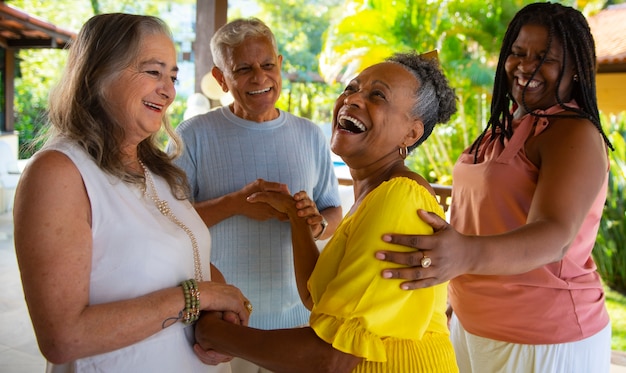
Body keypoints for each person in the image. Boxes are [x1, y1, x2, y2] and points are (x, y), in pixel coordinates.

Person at [376, 3, 614, 372]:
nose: (525, 66)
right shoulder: (505, 126)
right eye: (518, 53)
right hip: (472, 323)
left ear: (578, 69)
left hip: (544, 336)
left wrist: (463, 255)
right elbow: (482, 217)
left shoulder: (573, 132)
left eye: (545, 57)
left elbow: (556, 236)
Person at [192, 51, 459, 373]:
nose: (353, 99)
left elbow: (331, 356)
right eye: (351, 88)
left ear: (411, 134)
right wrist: (295, 216)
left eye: (377, 95)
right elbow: (316, 299)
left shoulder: (400, 197)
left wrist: (214, 332)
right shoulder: (373, 195)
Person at [13, 13, 251, 372]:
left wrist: (221, 309)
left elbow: (186, 255)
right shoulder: (59, 173)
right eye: (153, 72)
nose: (169, 90)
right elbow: (62, 338)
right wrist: (198, 296)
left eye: (172, 76)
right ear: (98, 74)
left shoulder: (157, 170)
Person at [169, 17, 343, 373]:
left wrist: (314, 223)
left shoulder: (310, 135)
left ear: (280, 65)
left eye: (267, 65)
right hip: (223, 322)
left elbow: (333, 215)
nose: (260, 78)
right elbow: (168, 223)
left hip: (297, 316)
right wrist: (234, 204)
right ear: (221, 78)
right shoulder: (193, 135)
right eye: (243, 69)